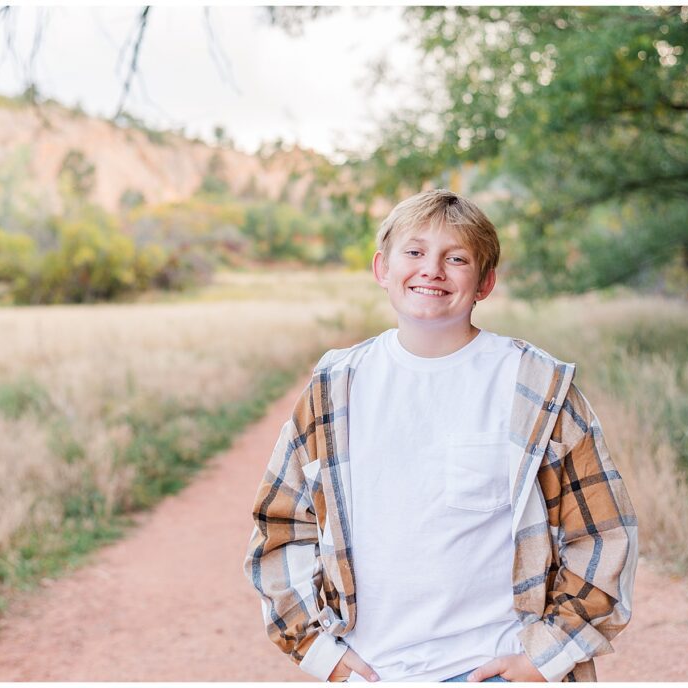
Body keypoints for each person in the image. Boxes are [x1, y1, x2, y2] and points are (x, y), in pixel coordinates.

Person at [242, 189, 638, 683]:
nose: (432, 270)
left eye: (456, 258)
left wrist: (548, 655)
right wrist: (322, 652)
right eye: (414, 252)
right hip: (373, 670)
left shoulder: (536, 387)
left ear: (485, 282)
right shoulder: (335, 388)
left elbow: (601, 532)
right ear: (382, 269)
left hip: (497, 666)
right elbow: (282, 527)